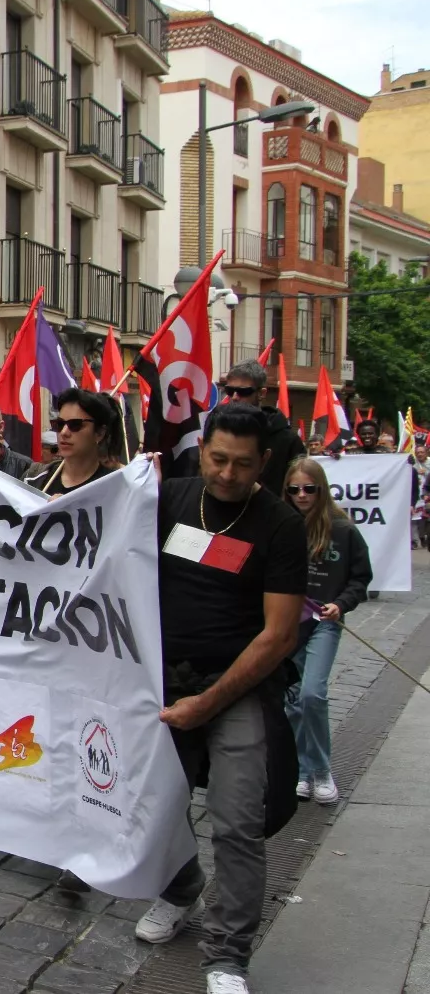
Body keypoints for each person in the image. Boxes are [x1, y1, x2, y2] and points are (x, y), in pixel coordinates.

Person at [134, 403, 307, 994]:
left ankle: (228, 955)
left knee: (237, 823)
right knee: (157, 810)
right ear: (200, 450)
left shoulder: (281, 526)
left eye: (242, 464)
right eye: (217, 459)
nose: (228, 474)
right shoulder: (167, 501)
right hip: (161, 682)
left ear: (263, 463)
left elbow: (279, 635)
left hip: (237, 688)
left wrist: (207, 704)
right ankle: (181, 888)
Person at [283, 458, 371, 806]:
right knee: (291, 702)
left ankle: (320, 769)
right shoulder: (282, 525)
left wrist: (342, 604)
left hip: (323, 622)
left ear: (321, 489)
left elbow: (361, 577)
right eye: (294, 489)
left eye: (309, 488)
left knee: (312, 695)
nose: (301, 495)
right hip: (288, 625)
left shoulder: (343, 530)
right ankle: (302, 771)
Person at [216, 360, 305, 493]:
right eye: (230, 390)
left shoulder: (287, 441)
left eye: (243, 392)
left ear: (261, 393)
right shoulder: (216, 431)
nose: (234, 397)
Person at [24, 388, 123, 496]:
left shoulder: (116, 488)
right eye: (59, 424)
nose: (64, 432)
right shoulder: (34, 479)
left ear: (99, 433)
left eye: (75, 425)